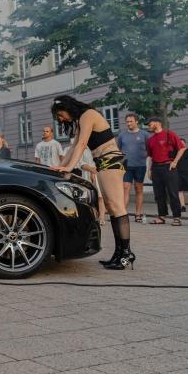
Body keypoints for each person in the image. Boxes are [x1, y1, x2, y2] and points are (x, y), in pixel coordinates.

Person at [51, 95, 132, 270]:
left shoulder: (88, 114)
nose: (60, 119)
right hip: (103, 162)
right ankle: (119, 254)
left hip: (110, 160)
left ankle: (126, 254)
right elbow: (73, 147)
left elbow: (81, 145)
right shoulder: (82, 119)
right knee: (111, 208)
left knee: (117, 207)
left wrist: (69, 167)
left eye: (60, 114)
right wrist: (59, 167)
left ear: (68, 107)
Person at [145, 117, 186, 226]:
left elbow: (182, 148)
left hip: (168, 166)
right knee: (159, 194)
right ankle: (161, 217)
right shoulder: (150, 140)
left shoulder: (169, 134)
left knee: (173, 192)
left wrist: (175, 162)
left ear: (158, 123)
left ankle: (177, 217)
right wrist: (148, 170)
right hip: (156, 168)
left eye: (150, 123)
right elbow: (149, 156)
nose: (148, 126)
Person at [116, 113, 151, 223]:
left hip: (140, 165)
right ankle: (123, 214)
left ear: (136, 121)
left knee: (138, 189)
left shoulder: (145, 134)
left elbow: (150, 149)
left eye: (131, 121)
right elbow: (118, 150)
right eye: (127, 121)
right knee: (125, 188)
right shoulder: (122, 135)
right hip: (126, 166)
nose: (128, 123)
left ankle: (138, 214)